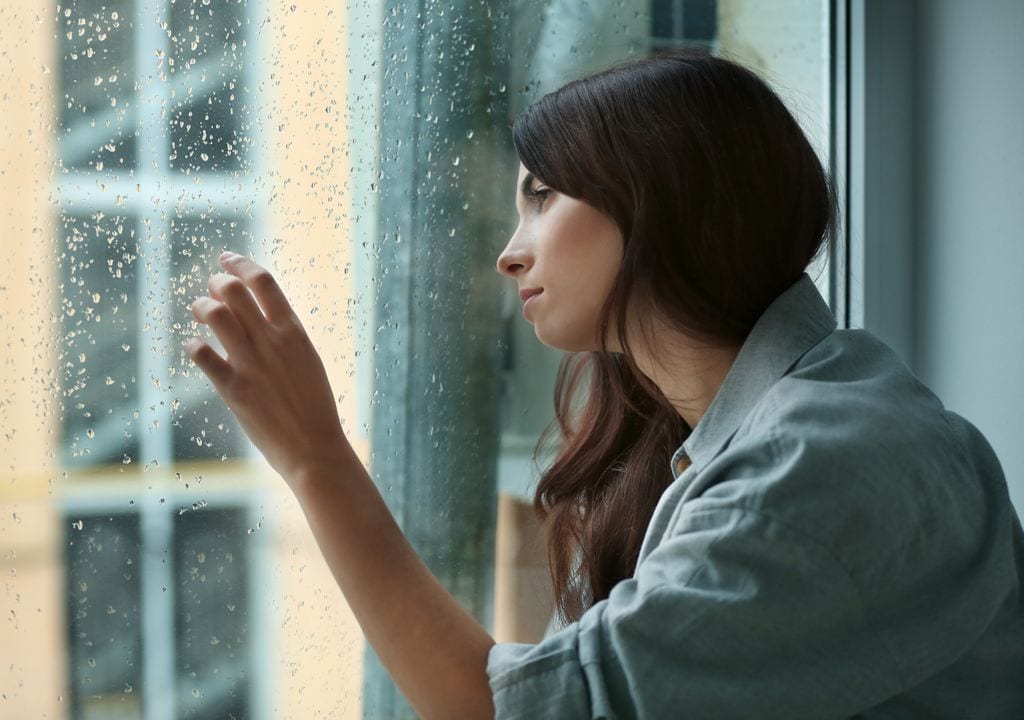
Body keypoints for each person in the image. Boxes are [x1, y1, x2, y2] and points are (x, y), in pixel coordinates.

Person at [185, 50, 1024, 719]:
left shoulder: (822, 466)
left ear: (661, 197)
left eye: (543, 196)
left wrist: (315, 459)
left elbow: (510, 712)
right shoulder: (750, 428)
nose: (511, 252)